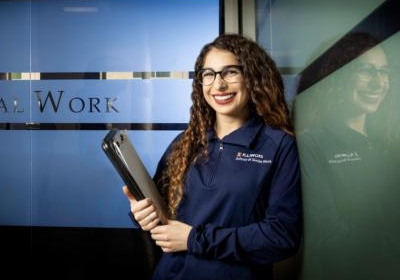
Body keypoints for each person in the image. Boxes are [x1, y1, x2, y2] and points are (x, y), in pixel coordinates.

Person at [123, 34, 302, 280]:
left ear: (252, 77)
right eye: (209, 74)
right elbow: (162, 214)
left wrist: (194, 239)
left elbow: (281, 236)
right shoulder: (185, 142)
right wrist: (142, 214)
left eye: (230, 72)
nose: (218, 85)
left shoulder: (278, 145)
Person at [295, 32, 400, 280]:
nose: (379, 83)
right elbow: (328, 236)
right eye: (366, 71)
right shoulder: (311, 143)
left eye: (385, 72)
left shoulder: (392, 141)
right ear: (337, 77)